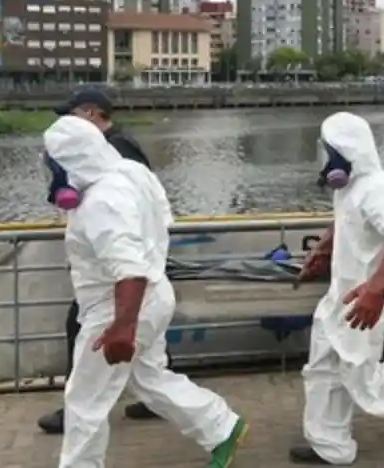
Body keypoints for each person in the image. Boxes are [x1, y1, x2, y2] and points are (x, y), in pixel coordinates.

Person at [42, 116, 247, 467]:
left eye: (51, 166)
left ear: (66, 163)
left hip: (119, 306)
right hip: (152, 294)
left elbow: (129, 269)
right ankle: (221, 427)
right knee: (149, 378)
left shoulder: (101, 203)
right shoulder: (130, 175)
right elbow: (161, 224)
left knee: (85, 399)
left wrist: (123, 326)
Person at [289, 112, 384, 464]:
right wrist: (323, 249)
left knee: (360, 377)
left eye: (328, 150)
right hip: (339, 296)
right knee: (321, 370)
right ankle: (331, 447)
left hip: (368, 298)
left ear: (347, 150)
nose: (325, 158)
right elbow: (344, 222)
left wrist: (375, 290)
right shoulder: (348, 188)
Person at [38, 86, 165, 435]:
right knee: (148, 344)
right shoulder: (121, 145)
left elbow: (122, 211)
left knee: (83, 326)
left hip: (120, 263)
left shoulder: (114, 150)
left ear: (93, 114)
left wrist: (98, 250)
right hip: (130, 257)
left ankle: (76, 411)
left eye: (72, 116)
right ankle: (158, 400)